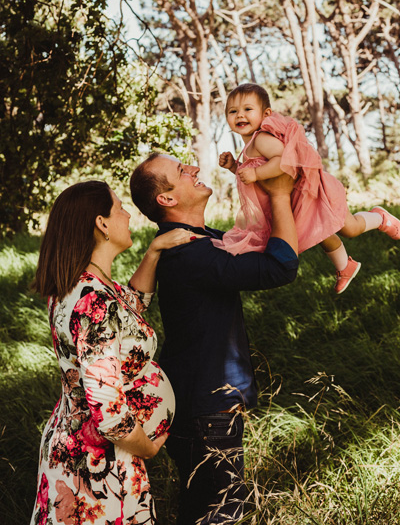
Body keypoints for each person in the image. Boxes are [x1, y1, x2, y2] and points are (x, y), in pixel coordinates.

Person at [129, 153, 299, 525]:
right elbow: (280, 267)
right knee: (221, 511)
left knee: (202, 506)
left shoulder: (201, 241)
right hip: (205, 410)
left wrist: (268, 186)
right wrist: (281, 195)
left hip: (201, 404)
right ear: (167, 199)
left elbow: (268, 244)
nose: (194, 169)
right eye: (181, 171)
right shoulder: (189, 253)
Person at [30, 180, 202, 525]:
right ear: (102, 223)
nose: (127, 214)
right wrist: (149, 446)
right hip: (98, 466)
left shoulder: (81, 286)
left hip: (74, 445)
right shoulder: (94, 302)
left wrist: (153, 252)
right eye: (120, 208)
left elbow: (130, 306)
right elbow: (108, 412)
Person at [214, 82, 400, 294]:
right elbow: (254, 176)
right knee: (319, 233)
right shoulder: (250, 146)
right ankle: (345, 266)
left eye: (248, 109)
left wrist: (256, 173)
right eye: (233, 111)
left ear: (266, 113)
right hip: (298, 198)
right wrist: (234, 167)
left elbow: (284, 159)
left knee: (350, 229)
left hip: (313, 191)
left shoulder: (262, 140)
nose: (240, 115)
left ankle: (381, 218)